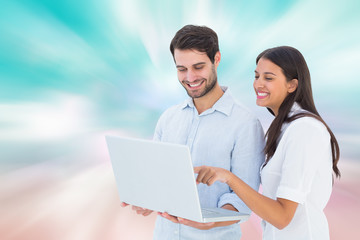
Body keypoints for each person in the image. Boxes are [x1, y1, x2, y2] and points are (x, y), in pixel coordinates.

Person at [122, 24, 265, 239]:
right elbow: (158, 179)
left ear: (216, 59)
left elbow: (245, 198)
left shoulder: (245, 124)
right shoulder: (169, 118)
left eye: (198, 67)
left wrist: (208, 222)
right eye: (181, 69)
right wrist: (146, 200)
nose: (190, 77)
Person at [195, 46, 341, 240]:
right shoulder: (284, 128)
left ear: (292, 85)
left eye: (269, 78)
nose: (258, 84)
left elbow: (281, 217)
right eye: (256, 76)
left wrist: (228, 177)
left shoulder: (305, 129)